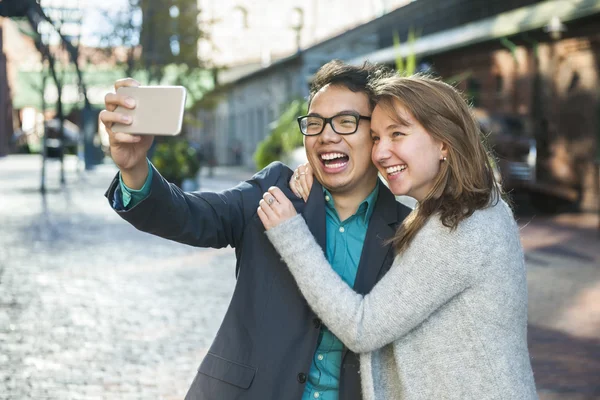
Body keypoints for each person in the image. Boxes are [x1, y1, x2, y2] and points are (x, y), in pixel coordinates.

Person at [99, 60, 411, 400]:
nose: (327, 136)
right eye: (316, 123)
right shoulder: (276, 190)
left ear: (375, 133)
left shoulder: (406, 231)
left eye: (346, 122)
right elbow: (192, 215)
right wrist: (134, 168)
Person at [258, 75, 538, 399]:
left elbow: (361, 328)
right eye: (376, 138)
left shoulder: (462, 230)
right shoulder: (468, 207)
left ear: (443, 142)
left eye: (398, 134)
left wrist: (291, 235)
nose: (380, 152)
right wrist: (322, 178)